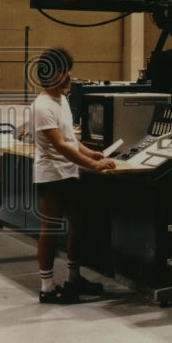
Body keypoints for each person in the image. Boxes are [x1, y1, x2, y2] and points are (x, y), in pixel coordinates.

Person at [32, 47, 115, 304]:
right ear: (49, 74)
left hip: (69, 172)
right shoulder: (43, 106)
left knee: (78, 224)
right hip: (52, 176)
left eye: (67, 68)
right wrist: (92, 166)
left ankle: (73, 278)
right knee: (51, 229)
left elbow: (71, 139)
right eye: (63, 69)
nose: (68, 74)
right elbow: (60, 146)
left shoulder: (62, 100)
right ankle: (47, 287)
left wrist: (93, 154)